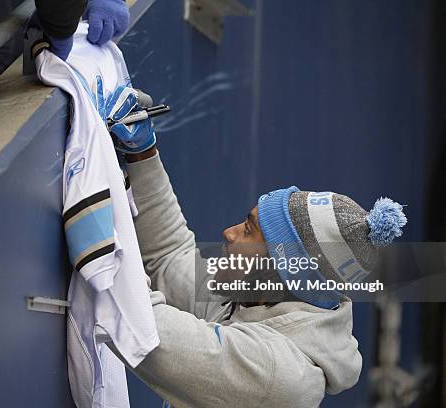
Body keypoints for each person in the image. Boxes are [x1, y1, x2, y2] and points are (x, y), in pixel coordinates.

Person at [102, 87, 407, 407]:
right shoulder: (251, 301)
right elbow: (169, 257)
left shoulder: (277, 375)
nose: (229, 233)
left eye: (249, 231)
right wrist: (143, 154)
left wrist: (93, 226)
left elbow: (134, 324)